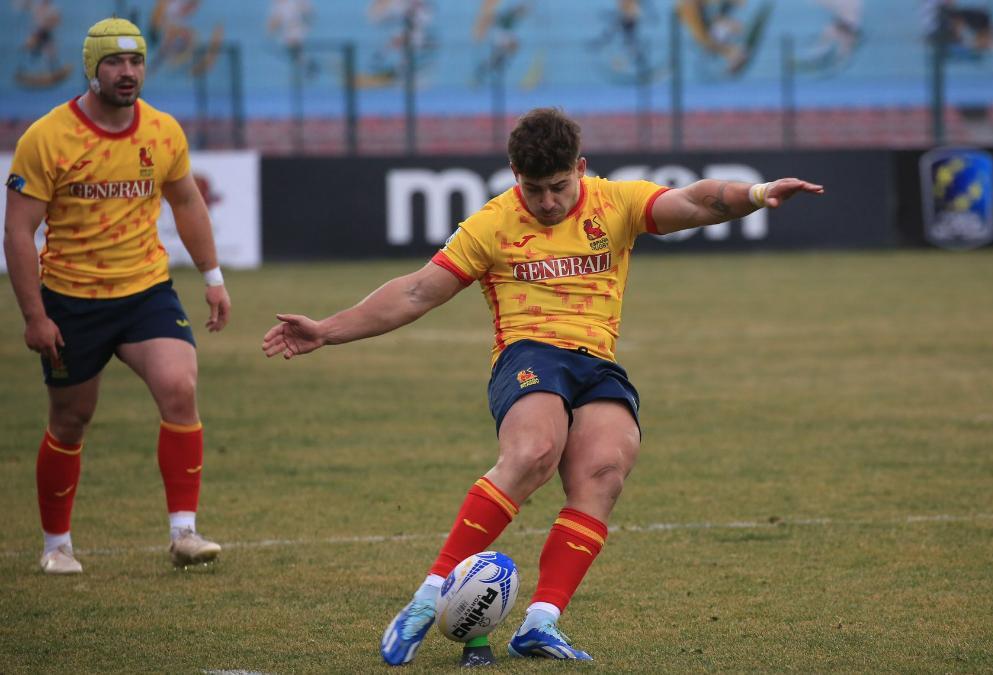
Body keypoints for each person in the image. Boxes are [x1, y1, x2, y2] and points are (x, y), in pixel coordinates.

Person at [261, 107, 823, 663]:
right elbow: (415, 293)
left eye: (558, 186)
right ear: (514, 176)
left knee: (604, 473)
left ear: (580, 167)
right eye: (535, 190)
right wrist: (327, 331)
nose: (548, 202)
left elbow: (697, 201)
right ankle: (427, 599)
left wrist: (758, 193)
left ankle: (540, 623)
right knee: (533, 451)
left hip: (596, 363)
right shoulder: (492, 223)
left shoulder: (615, 202)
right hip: (528, 355)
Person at [3, 17, 232, 574]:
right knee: (71, 420)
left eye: (135, 62)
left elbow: (186, 203)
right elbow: (17, 230)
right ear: (92, 68)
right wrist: (35, 316)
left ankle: (185, 533)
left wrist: (212, 276)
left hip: (145, 291)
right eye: (114, 63)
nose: (127, 73)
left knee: (180, 387)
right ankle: (56, 545)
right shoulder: (47, 138)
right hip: (71, 299)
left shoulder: (162, 131)